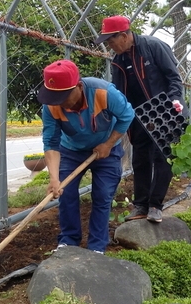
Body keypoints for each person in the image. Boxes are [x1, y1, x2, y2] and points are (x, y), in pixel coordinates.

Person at [95, 15, 189, 223]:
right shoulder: (118, 60)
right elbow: (119, 92)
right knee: (140, 159)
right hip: (138, 115)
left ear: (124, 35)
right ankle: (141, 205)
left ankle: (155, 206)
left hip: (164, 111)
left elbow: (173, 77)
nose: (110, 45)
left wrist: (174, 102)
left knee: (163, 157)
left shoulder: (153, 46)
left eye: (111, 40)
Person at [39, 59, 134, 254]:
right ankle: (69, 241)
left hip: (107, 149)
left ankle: (97, 247)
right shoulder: (51, 106)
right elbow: (51, 142)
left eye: (64, 96)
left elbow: (127, 115)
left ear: (79, 87)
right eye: (55, 97)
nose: (60, 103)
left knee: (102, 196)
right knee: (66, 194)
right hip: (70, 150)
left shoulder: (104, 93)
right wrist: (54, 179)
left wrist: (108, 144)